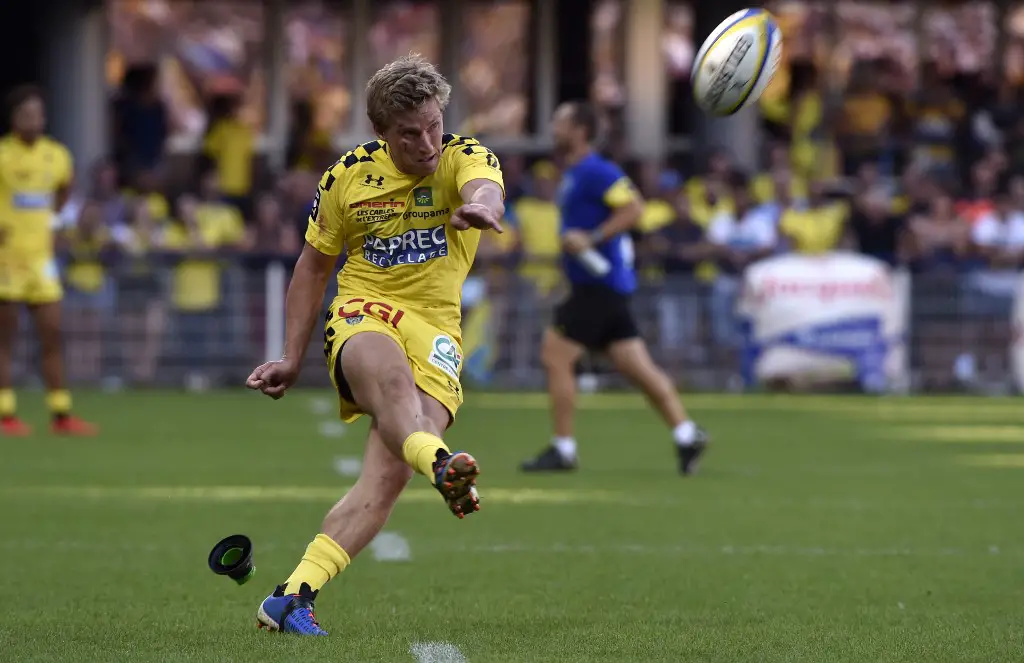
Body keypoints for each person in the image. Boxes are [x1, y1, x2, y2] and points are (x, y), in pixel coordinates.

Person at [245, 55, 505, 636]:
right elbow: (313, 269)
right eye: (410, 133)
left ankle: (289, 598)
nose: (427, 142)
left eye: (434, 125)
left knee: (384, 483)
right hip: (365, 312)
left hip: (438, 331)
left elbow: (486, 187)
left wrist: (483, 207)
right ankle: (442, 466)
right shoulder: (348, 176)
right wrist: (291, 355)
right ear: (381, 133)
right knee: (394, 394)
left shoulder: (465, 156)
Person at [520, 101, 708, 475]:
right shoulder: (573, 173)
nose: (554, 127)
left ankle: (564, 449)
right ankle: (687, 434)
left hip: (599, 285)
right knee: (636, 367)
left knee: (555, 355)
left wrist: (591, 238)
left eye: (561, 121)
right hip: (601, 284)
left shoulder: (596, 170)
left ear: (581, 130)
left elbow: (634, 208)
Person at [0, 86, 97, 436]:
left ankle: (61, 414)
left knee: (53, 335)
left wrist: (58, 224)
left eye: (39, 114)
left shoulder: (56, 156)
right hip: (7, 260)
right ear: (13, 119)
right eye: (27, 114)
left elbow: (64, 194)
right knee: (5, 339)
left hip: (41, 260)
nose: (34, 120)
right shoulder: (3, 155)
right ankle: (6, 414)